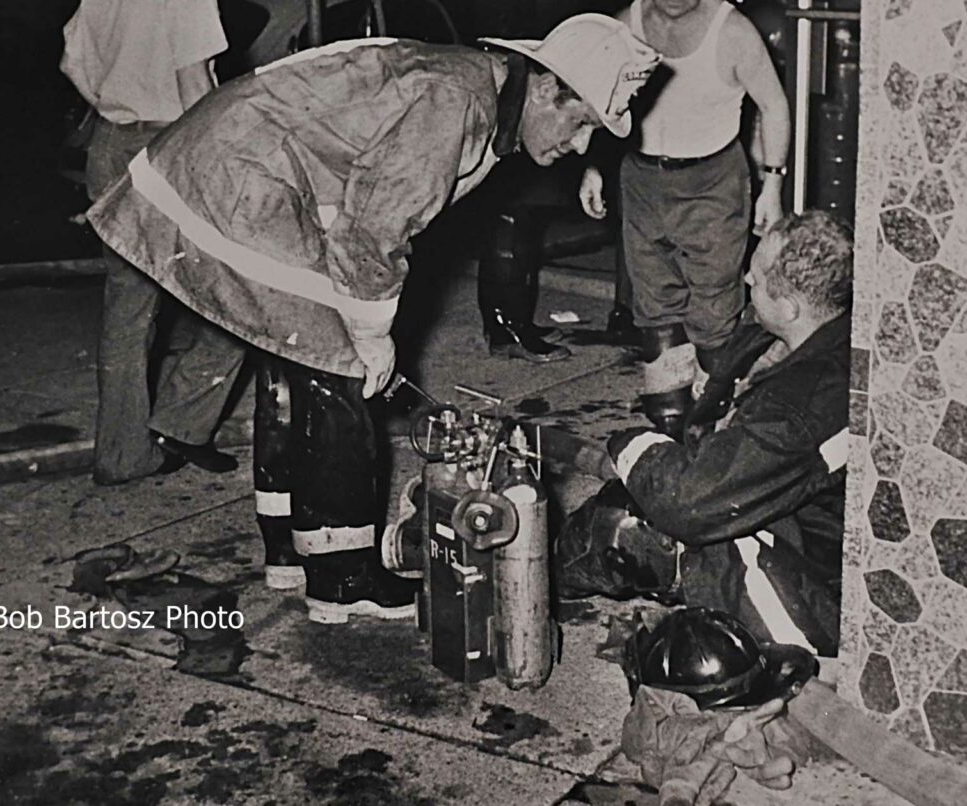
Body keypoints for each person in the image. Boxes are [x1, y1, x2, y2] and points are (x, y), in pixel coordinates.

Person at [85, 15, 660, 623]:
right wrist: (370, 333)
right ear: (546, 87)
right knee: (339, 369)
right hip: (236, 183)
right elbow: (375, 229)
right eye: (580, 126)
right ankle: (341, 577)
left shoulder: (474, 86)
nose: (578, 146)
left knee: (295, 358)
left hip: (224, 168)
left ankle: (289, 549)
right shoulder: (456, 101)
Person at [558, 210, 852, 657]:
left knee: (629, 526)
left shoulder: (801, 406)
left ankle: (540, 574)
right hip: (794, 509)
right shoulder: (816, 336)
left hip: (805, 554)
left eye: (755, 280)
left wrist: (628, 445)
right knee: (651, 493)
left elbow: (690, 501)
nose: (746, 281)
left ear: (791, 307)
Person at [579, 0, 790, 439]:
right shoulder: (625, 25)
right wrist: (595, 167)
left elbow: (773, 105)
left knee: (713, 308)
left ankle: (716, 423)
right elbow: (600, 102)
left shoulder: (732, 31)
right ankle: (670, 424)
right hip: (642, 178)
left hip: (713, 184)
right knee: (654, 304)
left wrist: (772, 183)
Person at [61, 0, 247, 486]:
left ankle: (122, 454)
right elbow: (196, 91)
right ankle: (184, 422)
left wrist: (111, 104)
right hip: (172, 146)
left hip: (111, 145)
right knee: (240, 292)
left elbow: (72, 59)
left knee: (127, 308)